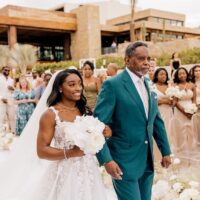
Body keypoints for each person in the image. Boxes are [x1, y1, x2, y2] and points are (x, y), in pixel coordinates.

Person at [0, 69, 117, 200]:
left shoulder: (85, 110)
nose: (78, 88)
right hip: (65, 172)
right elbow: (42, 150)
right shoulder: (50, 114)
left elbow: (92, 139)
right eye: (72, 84)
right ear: (60, 88)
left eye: (80, 84)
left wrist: (104, 133)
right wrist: (71, 152)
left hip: (89, 170)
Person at [94, 41, 171, 200]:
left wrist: (165, 151)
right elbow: (97, 126)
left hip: (147, 160)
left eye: (148, 58)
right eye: (141, 58)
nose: (146, 62)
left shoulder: (149, 84)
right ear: (127, 60)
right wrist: (106, 160)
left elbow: (156, 120)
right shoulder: (112, 85)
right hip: (123, 161)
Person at [171, 67, 196, 153]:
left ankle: (191, 152)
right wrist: (185, 111)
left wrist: (192, 111)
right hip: (180, 111)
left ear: (187, 74)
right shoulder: (174, 86)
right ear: (177, 75)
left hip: (191, 112)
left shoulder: (192, 85)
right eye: (180, 74)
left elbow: (194, 100)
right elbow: (175, 102)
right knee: (181, 133)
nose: (182, 75)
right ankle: (182, 153)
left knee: (191, 132)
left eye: (184, 73)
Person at [152, 68, 173, 160]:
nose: (163, 76)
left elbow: (173, 102)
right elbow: (154, 101)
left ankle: (169, 155)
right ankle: (157, 157)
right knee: (159, 132)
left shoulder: (170, 86)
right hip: (158, 113)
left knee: (169, 133)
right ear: (156, 75)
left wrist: (163, 101)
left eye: (165, 74)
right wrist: (165, 101)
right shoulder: (152, 86)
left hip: (169, 113)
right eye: (161, 74)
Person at [0, 66, 16, 133]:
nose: (7, 71)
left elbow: (13, 91)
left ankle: (13, 131)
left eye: (8, 70)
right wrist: (1, 98)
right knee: (1, 117)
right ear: (2, 71)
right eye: (5, 70)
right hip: (1, 101)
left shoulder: (11, 80)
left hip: (10, 101)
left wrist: (12, 89)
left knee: (12, 116)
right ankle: (1, 132)